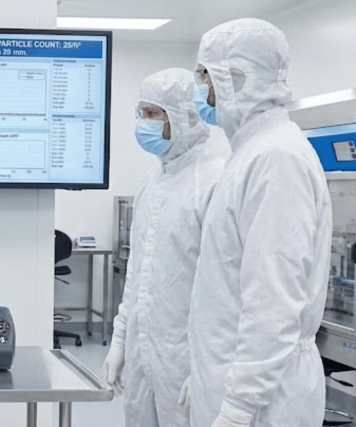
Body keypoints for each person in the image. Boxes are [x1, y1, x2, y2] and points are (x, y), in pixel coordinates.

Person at [185, 18, 331, 427]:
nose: (200, 87)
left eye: (204, 75)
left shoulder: (276, 158)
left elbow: (272, 302)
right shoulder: (251, 153)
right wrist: (204, 374)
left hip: (263, 402)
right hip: (235, 380)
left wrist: (238, 408)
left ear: (236, 78)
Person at [101, 68, 225, 427]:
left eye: (153, 113)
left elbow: (224, 288)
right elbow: (137, 275)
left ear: (184, 117)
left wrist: (208, 366)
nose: (143, 123)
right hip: (143, 352)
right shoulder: (151, 182)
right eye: (141, 113)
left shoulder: (214, 180)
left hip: (186, 357)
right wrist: (120, 341)